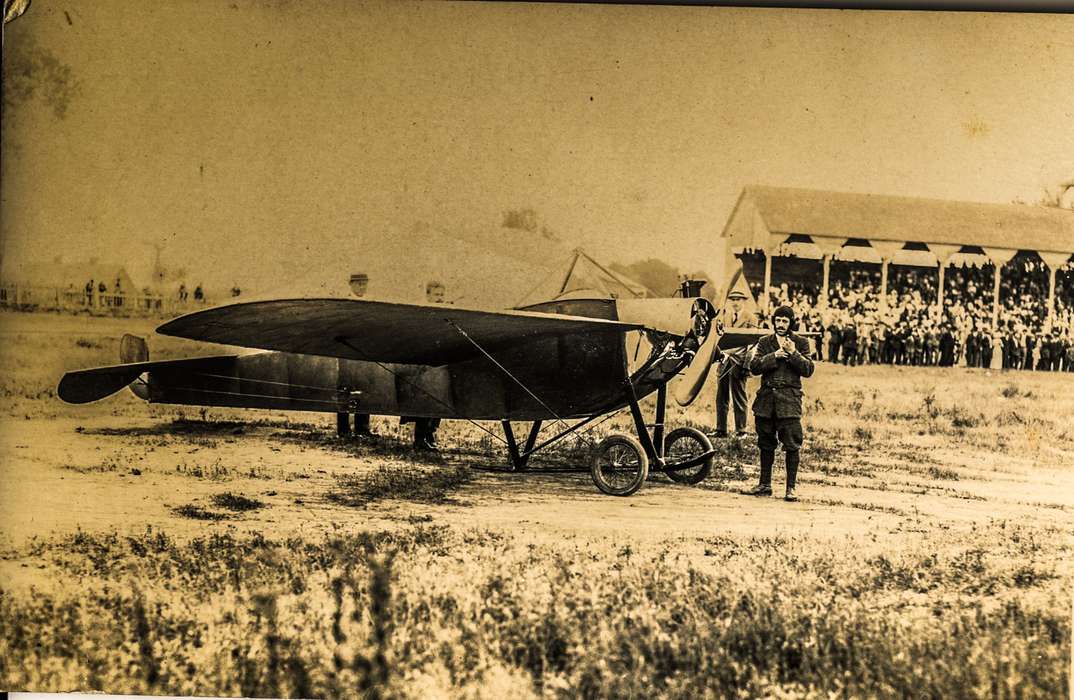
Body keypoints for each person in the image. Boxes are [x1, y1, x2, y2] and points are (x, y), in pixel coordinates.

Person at [746, 305, 815, 502]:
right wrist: (774, 356)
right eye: (778, 320)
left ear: (791, 323)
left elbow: (808, 370)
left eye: (785, 321)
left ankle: (790, 488)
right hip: (766, 401)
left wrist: (793, 353)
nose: (781, 325)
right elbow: (754, 367)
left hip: (789, 402)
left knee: (792, 444)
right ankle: (764, 485)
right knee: (765, 443)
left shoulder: (801, 342)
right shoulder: (764, 342)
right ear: (773, 321)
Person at [713, 290, 755, 438]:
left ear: (744, 301)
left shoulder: (750, 318)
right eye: (732, 299)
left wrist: (746, 364)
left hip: (739, 360)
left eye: (738, 299)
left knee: (739, 395)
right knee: (721, 396)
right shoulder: (725, 316)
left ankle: (741, 430)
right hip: (724, 359)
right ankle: (721, 429)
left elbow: (752, 343)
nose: (735, 302)